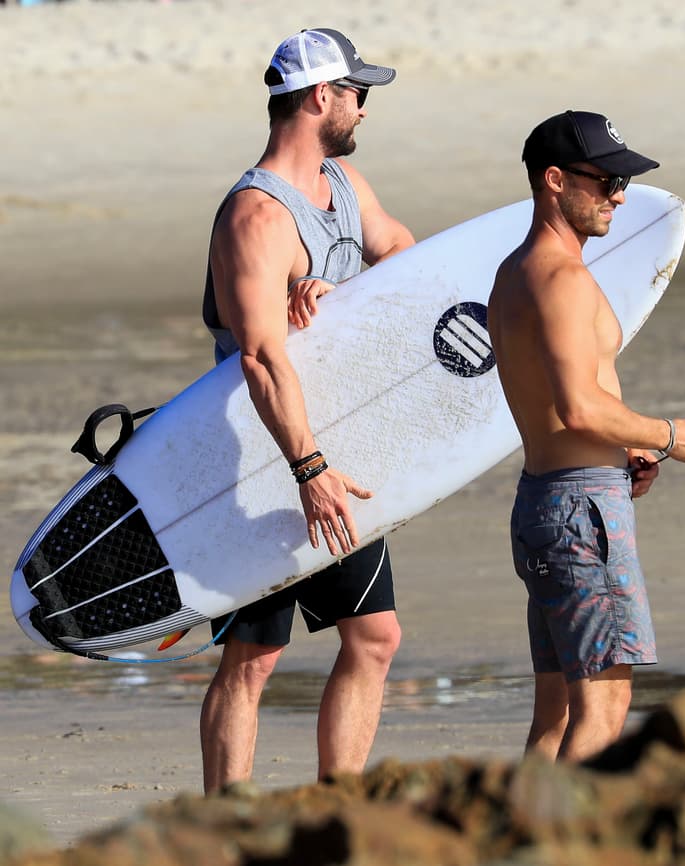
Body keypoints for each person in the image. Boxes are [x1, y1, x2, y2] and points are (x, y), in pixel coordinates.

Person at [198, 28, 415, 792]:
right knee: (254, 657)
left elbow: (405, 257)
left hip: (335, 454)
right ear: (321, 97)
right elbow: (259, 357)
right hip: (266, 463)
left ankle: (340, 804)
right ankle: (223, 818)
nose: (363, 108)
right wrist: (307, 467)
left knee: (375, 637)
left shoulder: (347, 189)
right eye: (357, 93)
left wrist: (345, 293)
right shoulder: (255, 218)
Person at [487, 110, 685, 762]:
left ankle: (520, 841)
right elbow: (582, 405)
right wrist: (667, 434)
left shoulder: (512, 274)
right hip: (579, 509)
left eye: (623, 180)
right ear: (555, 180)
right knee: (603, 709)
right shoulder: (560, 278)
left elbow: (563, 411)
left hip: (546, 499)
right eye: (606, 179)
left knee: (556, 716)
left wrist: (628, 451)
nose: (620, 195)